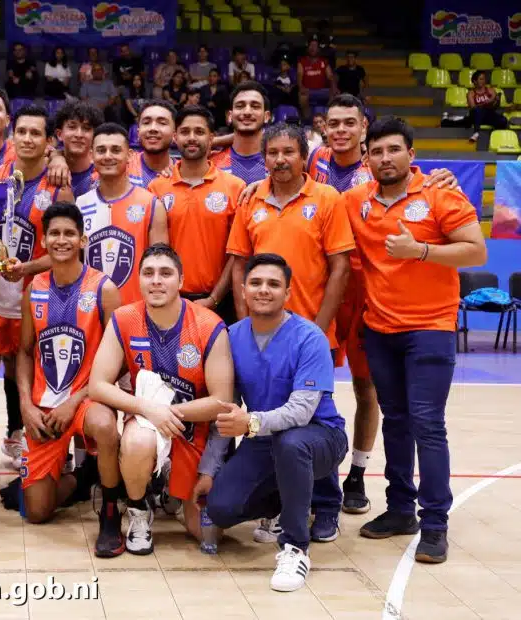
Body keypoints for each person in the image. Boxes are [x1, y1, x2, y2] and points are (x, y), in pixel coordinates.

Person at [343, 117, 487, 564]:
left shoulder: (441, 194)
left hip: (430, 329)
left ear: (411, 154)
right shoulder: (356, 201)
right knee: (397, 421)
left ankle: (435, 524)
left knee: (427, 424)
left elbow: (476, 250)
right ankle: (400, 509)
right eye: (377, 152)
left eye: (393, 150)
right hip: (380, 330)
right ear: (367, 159)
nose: (385, 158)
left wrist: (420, 251)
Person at [227, 123, 354, 542]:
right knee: (271, 414)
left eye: (289, 152)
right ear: (264, 158)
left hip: (310, 334)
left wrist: (318, 328)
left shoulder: (327, 198)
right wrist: (245, 322)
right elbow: (239, 265)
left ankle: (327, 505)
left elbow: (340, 266)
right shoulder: (251, 199)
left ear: (304, 157)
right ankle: (282, 503)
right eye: (273, 153)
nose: (280, 160)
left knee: (310, 420)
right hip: (261, 330)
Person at [206, 253, 348, 592]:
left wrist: (250, 424)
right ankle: (284, 504)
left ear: (287, 292)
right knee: (222, 508)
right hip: (263, 440)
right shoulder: (231, 336)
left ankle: (295, 547)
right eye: (255, 283)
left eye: (273, 284)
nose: (263, 290)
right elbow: (225, 408)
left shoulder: (310, 337)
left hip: (319, 436)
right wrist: (208, 470)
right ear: (243, 290)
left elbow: (301, 412)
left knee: (292, 443)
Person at [88, 243, 234, 553]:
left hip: (192, 427)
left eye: (165, 273)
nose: (156, 280)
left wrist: (170, 413)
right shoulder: (124, 319)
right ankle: (139, 509)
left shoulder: (209, 324)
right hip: (146, 420)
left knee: (208, 535)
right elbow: (97, 386)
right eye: (148, 273)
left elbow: (222, 400)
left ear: (181, 280)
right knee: (136, 441)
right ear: (139, 279)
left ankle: (169, 486)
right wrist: (148, 409)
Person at [0, 105, 74, 476]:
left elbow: (66, 249)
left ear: (48, 142)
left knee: (23, 372)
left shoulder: (59, 187)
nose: (28, 139)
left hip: (35, 298)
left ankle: (20, 435)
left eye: (36, 133)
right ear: (12, 136)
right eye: (22, 132)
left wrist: (27, 269)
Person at [16, 202, 124, 556]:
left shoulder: (103, 289)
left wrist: (76, 401)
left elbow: (120, 360)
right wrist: (25, 405)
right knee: (37, 512)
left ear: (82, 240)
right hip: (44, 407)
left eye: (69, 233)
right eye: (54, 234)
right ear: (43, 241)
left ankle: (110, 514)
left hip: (87, 399)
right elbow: (25, 352)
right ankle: (83, 476)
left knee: (104, 426)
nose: (61, 240)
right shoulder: (34, 288)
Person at [148, 106, 245, 326]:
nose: (192, 137)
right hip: (170, 300)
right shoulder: (156, 188)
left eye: (199, 132)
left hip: (222, 302)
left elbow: (237, 254)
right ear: (175, 137)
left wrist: (214, 299)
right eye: (185, 132)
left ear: (211, 138)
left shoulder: (234, 187)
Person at [77, 123, 168, 304]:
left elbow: (160, 266)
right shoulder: (80, 205)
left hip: (136, 310)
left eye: (116, 150)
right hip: (90, 308)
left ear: (130, 155)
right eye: (101, 150)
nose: (108, 156)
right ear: (91, 155)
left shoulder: (151, 204)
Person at [211, 83, 270, 184]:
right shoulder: (211, 163)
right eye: (240, 106)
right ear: (229, 116)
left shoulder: (279, 161)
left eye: (255, 106)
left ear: (266, 116)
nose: (247, 112)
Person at [54, 101, 103, 198]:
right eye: (72, 127)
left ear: (95, 136)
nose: (79, 134)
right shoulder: (46, 169)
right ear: (59, 134)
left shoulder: (104, 175)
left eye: (86, 128)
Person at [127, 100, 177, 187]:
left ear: (174, 135)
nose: (153, 128)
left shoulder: (184, 172)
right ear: (138, 133)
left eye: (162, 123)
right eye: (146, 123)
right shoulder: (123, 167)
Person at [298, 40, 334, 122]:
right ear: (308, 48)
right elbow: (299, 75)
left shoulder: (324, 61)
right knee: (302, 96)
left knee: (334, 95)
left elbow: (330, 76)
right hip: (308, 90)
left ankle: (327, 118)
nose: (312, 48)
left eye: (315, 46)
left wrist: (334, 87)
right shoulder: (302, 61)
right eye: (311, 46)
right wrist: (301, 87)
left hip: (322, 90)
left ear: (318, 49)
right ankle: (308, 120)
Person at [467, 70, 508, 142]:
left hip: (488, 115)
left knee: (503, 120)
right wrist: (487, 103)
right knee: (478, 110)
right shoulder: (471, 93)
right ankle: (476, 133)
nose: (483, 81)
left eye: (484, 79)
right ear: (475, 81)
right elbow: (473, 107)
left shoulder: (490, 90)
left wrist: (497, 101)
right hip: (475, 116)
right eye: (481, 79)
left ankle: (495, 137)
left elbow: (495, 107)